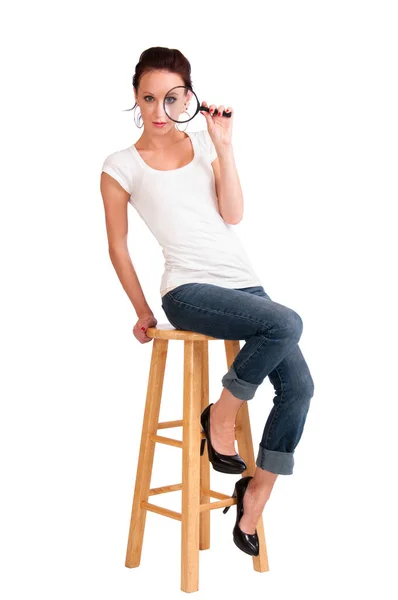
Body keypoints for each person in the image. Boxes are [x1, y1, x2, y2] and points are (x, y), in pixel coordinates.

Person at [100, 46, 315, 557]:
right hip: (188, 291)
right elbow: (117, 246)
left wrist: (224, 145)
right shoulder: (120, 165)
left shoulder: (205, 143)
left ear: (187, 97)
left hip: (244, 285)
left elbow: (233, 215)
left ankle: (255, 492)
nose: (158, 110)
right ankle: (220, 417)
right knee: (287, 323)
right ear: (135, 96)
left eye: (171, 98)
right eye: (149, 98)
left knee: (301, 387)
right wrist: (142, 311)